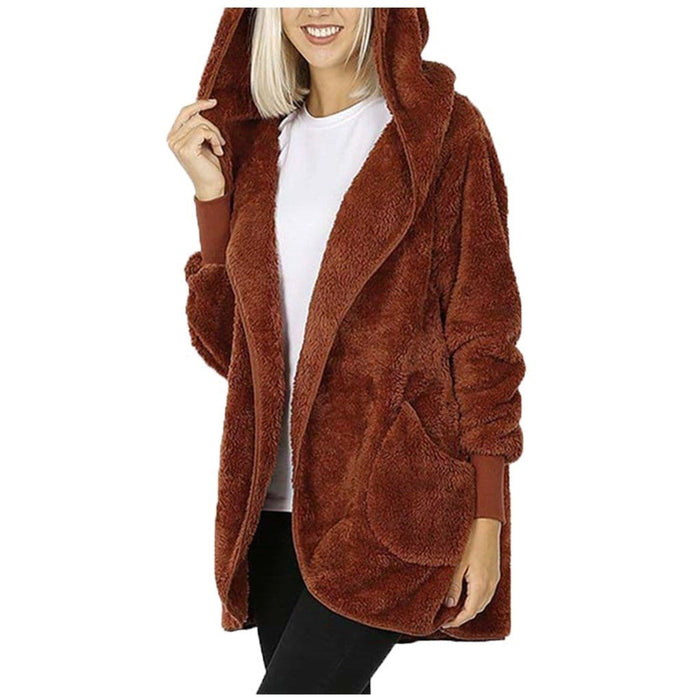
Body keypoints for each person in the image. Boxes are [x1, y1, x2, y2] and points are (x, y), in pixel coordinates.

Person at [167, 7, 525, 695]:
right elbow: (231, 351)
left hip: (392, 502)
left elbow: (484, 335)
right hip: (273, 506)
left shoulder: (442, 132)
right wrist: (211, 198)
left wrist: (488, 518)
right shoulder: (260, 147)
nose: (318, 11)